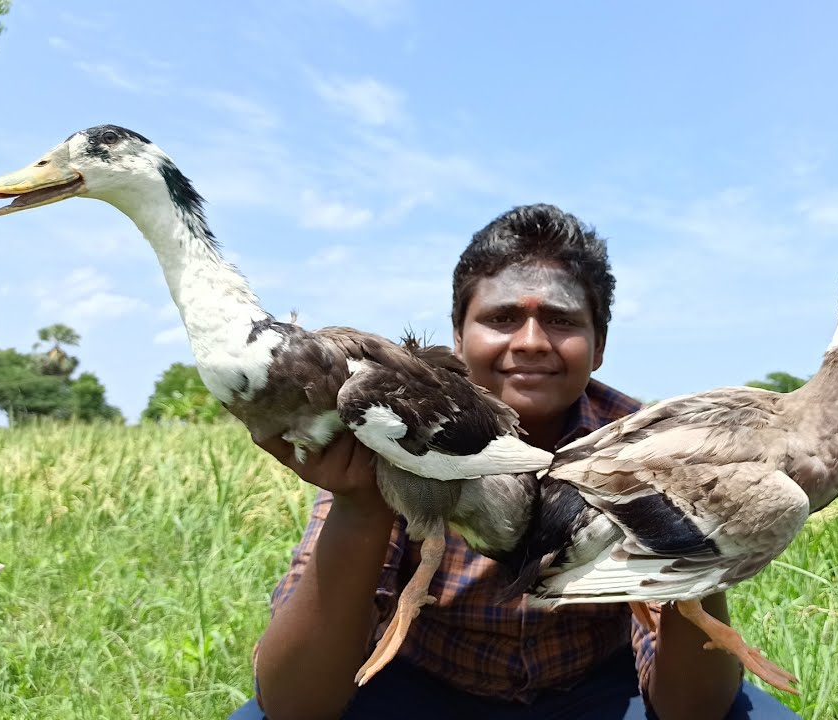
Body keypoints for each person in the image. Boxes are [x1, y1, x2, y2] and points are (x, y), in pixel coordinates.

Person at [230, 204, 800, 719]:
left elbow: (692, 710)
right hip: (423, 686)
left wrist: (693, 534)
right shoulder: (394, 428)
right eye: (502, 318)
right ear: (458, 339)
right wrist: (359, 506)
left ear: (599, 345)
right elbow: (292, 705)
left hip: (596, 689)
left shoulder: (646, 446)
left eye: (562, 321)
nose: (530, 341)